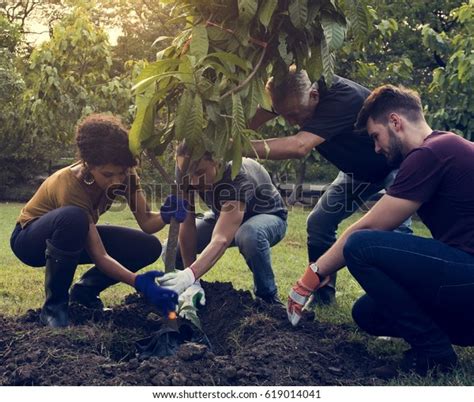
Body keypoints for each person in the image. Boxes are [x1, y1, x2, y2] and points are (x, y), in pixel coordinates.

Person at [287, 85, 474, 376]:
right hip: (464, 278)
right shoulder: (442, 148)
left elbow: (372, 225)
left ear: (396, 122)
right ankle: (450, 334)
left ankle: (434, 353)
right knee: (368, 313)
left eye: (376, 136)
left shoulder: (431, 152)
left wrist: (312, 274)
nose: (375, 148)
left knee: (361, 246)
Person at [246, 69, 411, 305]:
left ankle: (399, 302)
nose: (292, 121)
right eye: (284, 116)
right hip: (358, 174)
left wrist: (238, 148)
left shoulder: (342, 97)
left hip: (394, 166)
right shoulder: (296, 95)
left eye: (294, 114)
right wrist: (227, 138)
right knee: (319, 223)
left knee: (397, 232)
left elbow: (299, 145)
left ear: (314, 95)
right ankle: (323, 294)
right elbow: (252, 122)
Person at [10, 114, 185, 327]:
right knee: (73, 217)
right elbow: (100, 256)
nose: (116, 181)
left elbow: (148, 223)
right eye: (107, 174)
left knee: (147, 246)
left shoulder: (126, 175)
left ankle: (85, 292)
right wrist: (140, 283)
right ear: (88, 164)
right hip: (30, 241)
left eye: (120, 173)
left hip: (74, 238)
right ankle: (54, 309)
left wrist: (166, 215)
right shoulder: (69, 184)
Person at [158, 144, 288, 305]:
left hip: (267, 216)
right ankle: (187, 294)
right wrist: (193, 282)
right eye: (188, 174)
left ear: (217, 161)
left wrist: (190, 274)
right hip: (224, 215)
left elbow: (221, 238)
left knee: (250, 234)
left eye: (200, 173)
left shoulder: (238, 175)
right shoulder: (184, 169)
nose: (193, 181)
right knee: (172, 247)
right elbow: (187, 224)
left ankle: (268, 298)